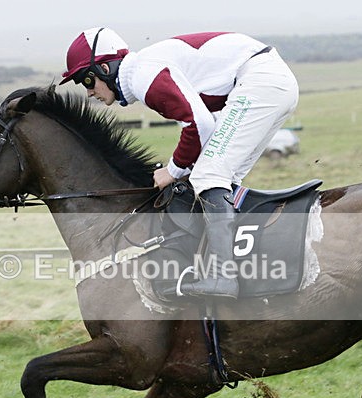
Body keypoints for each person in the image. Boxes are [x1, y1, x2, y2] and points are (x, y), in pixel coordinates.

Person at [60, 27, 299, 299]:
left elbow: (199, 124)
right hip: (267, 82)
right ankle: (231, 264)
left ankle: (224, 277)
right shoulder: (144, 70)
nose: (89, 93)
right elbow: (201, 126)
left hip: (261, 82)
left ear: (103, 68)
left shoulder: (142, 77)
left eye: (86, 81)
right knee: (220, 178)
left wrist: (172, 171)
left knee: (209, 177)